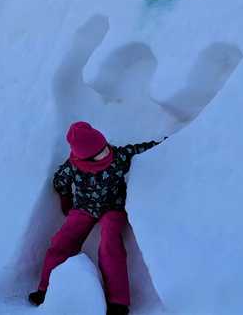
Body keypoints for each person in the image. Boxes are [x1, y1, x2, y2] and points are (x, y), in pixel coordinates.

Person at [28, 122, 167, 315]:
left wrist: (165, 145)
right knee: (62, 241)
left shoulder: (116, 157)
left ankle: (118, 301)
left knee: (110, 241)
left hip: (113, 208)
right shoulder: (73, 167)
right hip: (84, 209)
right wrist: (65, 200)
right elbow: (59, 181)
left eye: (104, 148)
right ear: (86, 158)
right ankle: (47, 289)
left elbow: (139, 150)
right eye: (100, 153)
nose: (105, 153)